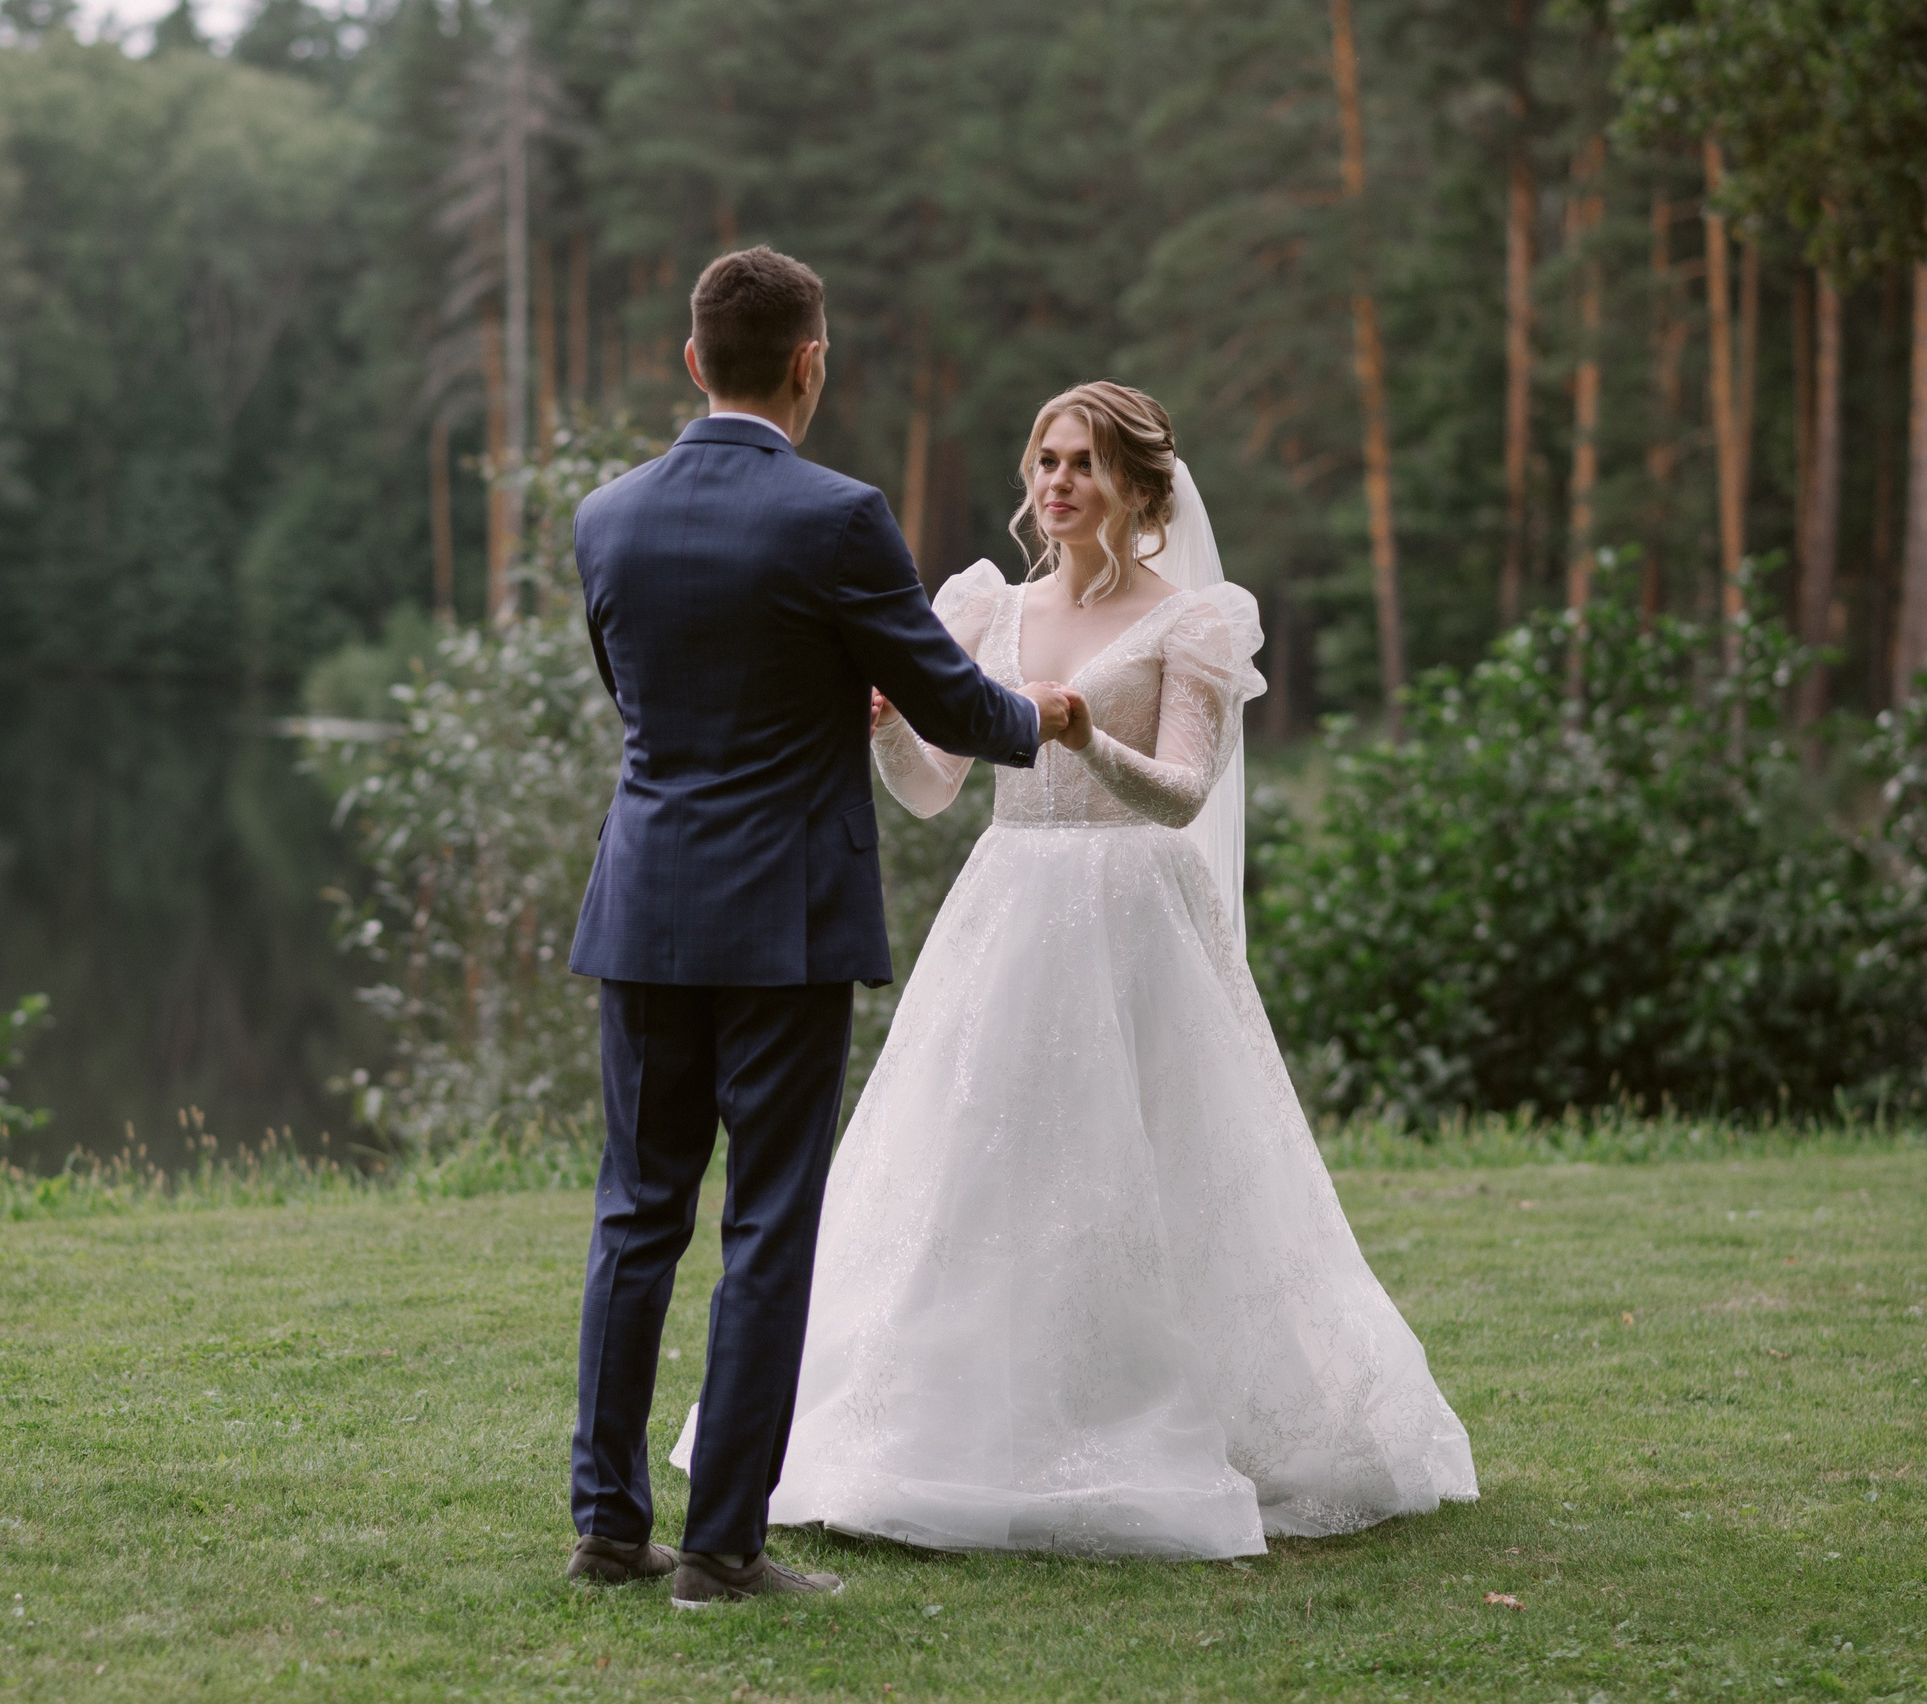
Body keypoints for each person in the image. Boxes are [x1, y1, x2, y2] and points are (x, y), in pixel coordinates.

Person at [673, 381, 1478, 1557]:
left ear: (1139, 490)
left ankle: (1158, 1417)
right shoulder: (986, 611)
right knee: (973, 1172)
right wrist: (888, 725)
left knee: (1147, 1171)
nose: (1054, 483)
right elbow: (937, 792)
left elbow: (1183, 791)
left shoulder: (1193, 622)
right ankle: (953, 1427)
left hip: (1131, 910)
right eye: (1044, 460)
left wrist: (1079, 729)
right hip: (1008, 902)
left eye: (1082, 465)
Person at [562, 248, 1086, 1606]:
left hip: (642, 904)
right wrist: (1045, 719)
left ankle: (609, 1528)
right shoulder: (838, 517)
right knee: (770, 1227)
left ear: (695, 362)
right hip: (783, 919)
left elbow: (639, 695)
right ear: (810, 363)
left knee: (635, 1217)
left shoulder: (605, 516)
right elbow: (953, 703)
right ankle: (724, 1549)